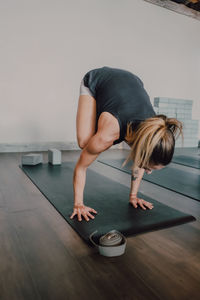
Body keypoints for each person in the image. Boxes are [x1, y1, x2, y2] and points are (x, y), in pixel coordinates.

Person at [70, 66, 183, 222]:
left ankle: (109, 110)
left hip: (133, 81)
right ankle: (103, 108)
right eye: (149, 168)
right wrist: (78, 204)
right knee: (86, 142)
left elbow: (141, 154)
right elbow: (81, 167)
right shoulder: (108, 134)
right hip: (97, 79)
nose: (149, 172)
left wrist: (133, 196)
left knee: (132, 139)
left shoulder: (153, 129)